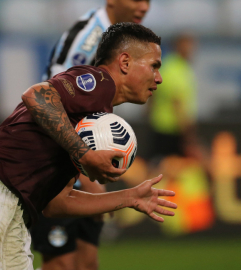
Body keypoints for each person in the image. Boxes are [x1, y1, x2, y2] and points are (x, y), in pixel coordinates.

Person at [0, 23, 177, 270]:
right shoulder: (99, 82)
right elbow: (35, 95)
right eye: (154, 66)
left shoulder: (91, 118)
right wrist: (84, 154)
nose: (159, 77)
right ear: (124, 62)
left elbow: (57, 204)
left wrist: (128, 197)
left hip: (13, 211)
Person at [36, 1, 151, 269]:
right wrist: (86, 177)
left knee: (88, 264)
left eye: (148, 0)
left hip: (82, 160)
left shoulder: (117, 37)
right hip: (56, 161)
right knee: (61, 264)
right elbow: (50, 98)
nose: (144, 7)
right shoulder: (88, 38)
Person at [149, 33, 199, 160]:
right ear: (178, 46)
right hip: (171, 130)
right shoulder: (175, 68)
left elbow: (152, 96)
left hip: (161, 127)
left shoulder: (169, 65)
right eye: (187, 44)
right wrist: (188, 135)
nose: (191, 49)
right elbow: (177, 103)